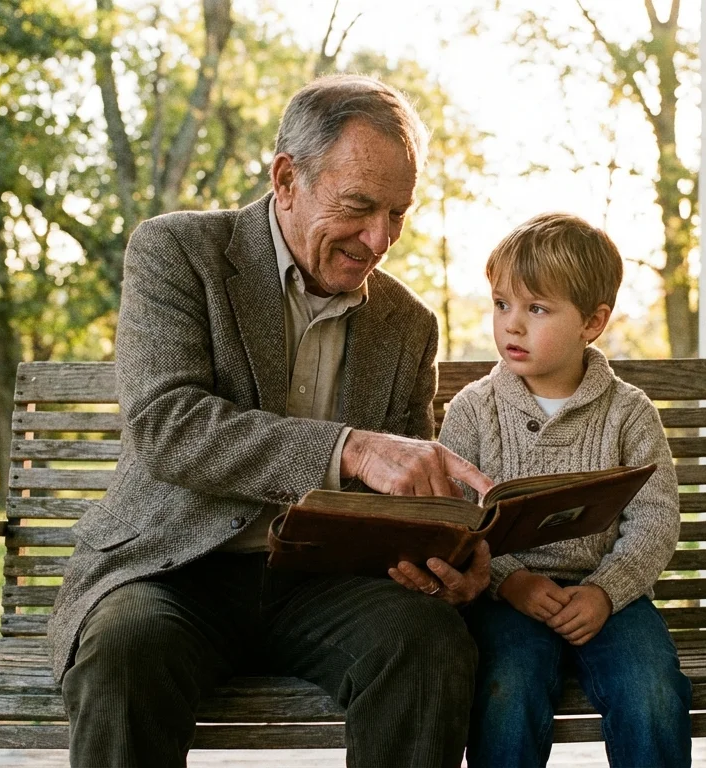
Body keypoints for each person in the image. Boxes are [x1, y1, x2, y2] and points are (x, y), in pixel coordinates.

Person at [48, 75, 495, 767]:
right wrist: (350, 449)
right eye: (359, 206)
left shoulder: (408, 323)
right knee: (126, 651)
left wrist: (453, 556)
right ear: (287, 177)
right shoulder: (179, 253)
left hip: (324, 587)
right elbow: (169, 423)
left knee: (429, 639)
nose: (380, 239)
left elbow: (406, 489)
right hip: (171, 570)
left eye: (399, 214)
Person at [438, 213, 692, 768]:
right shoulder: (474, 411)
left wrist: (606, 591)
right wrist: (510, 582)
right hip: (508, 598)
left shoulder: (629, 414)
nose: (512, 325)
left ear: (592, 322)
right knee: (506, 690)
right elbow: (456, 520)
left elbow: (656, 520)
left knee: (651, 693)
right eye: (502, 304)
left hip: (611, 597)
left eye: (537, 308)